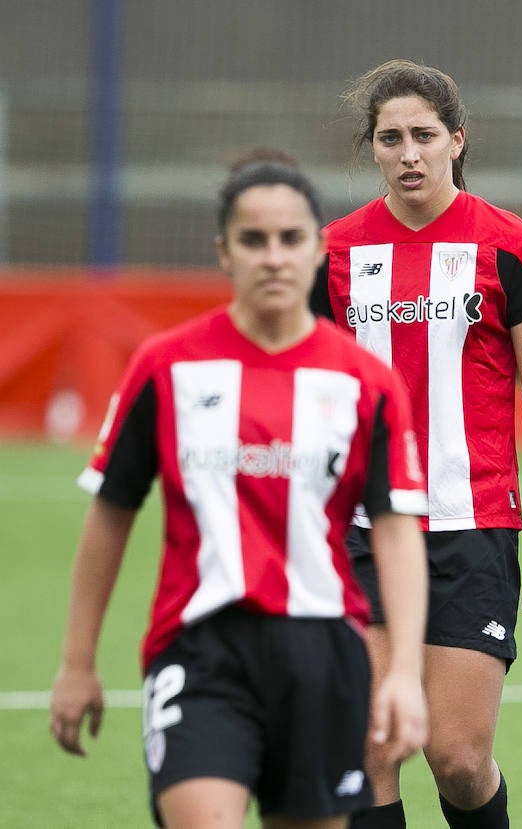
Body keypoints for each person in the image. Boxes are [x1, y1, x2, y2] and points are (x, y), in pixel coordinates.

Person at [48, 151, 431, 829]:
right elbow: (111, 512)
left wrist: (402, 669)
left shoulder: (366, 383)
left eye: (291, 239)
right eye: (254, 240)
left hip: (323, 653)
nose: (274, 257)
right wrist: (78, 661)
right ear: (224, 252)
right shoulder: (166, 366)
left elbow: (397, 531)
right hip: (198, 649)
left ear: (319, 249)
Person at [311, 59, 522, 829]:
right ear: (374, 149)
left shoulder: (511, 246)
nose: (408, 153)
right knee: (371, 743)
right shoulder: (333, 254)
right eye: (390, 138)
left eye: (424, 135)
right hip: (363, 529)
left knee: (458, 758)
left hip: (473, 526)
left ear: (457, 140)